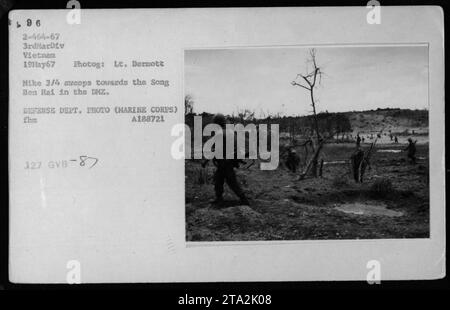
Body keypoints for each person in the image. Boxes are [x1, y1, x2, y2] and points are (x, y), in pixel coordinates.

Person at [209, 113, 250, 206]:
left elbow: (217, 149)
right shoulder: (230, 131)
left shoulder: (220, 133)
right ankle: (219, 198)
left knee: (231, 181)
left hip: (226, 160)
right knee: (218, 179)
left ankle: (244, 199)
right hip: (229, 159)